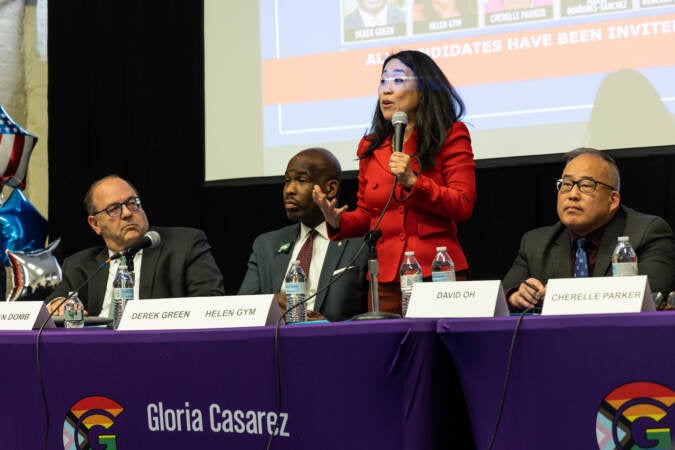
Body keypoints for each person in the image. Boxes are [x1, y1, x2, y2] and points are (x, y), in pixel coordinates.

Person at [313, 50, 477, 315]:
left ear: (423, 91)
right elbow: (369, 215)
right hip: (386, 281)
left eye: (398, 81)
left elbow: (463, 204)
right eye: (383, 81)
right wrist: (336, 221)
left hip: (437, 271)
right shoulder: (370, 146)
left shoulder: (451, 135)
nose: (386, 91)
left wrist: (414, 181)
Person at [503, 148, 675, 310]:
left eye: (585, 185)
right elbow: (502, 295)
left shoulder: (647, 233)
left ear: (613, 200)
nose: (572, 195)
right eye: (566, 184)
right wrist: (516, 296)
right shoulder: (535, 243)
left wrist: (566, 294)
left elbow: (650, 294)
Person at [46, 175, 225, 316]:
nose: (127, 213)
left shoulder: (185, 245)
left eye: (132, 203)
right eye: (114, 209)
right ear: (95, 224)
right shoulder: (80, 264)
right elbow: (57, 301)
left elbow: (210, 301)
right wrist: (58, 304)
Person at [239, 148, 368, 321]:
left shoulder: (361, 243)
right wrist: (273, 303)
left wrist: (324, 325)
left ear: (331, 188)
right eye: (287, 180)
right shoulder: (266, 245)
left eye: (301, 180)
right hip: (276, 343)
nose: (289, 189)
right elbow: (243, 308)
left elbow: (374, 314)